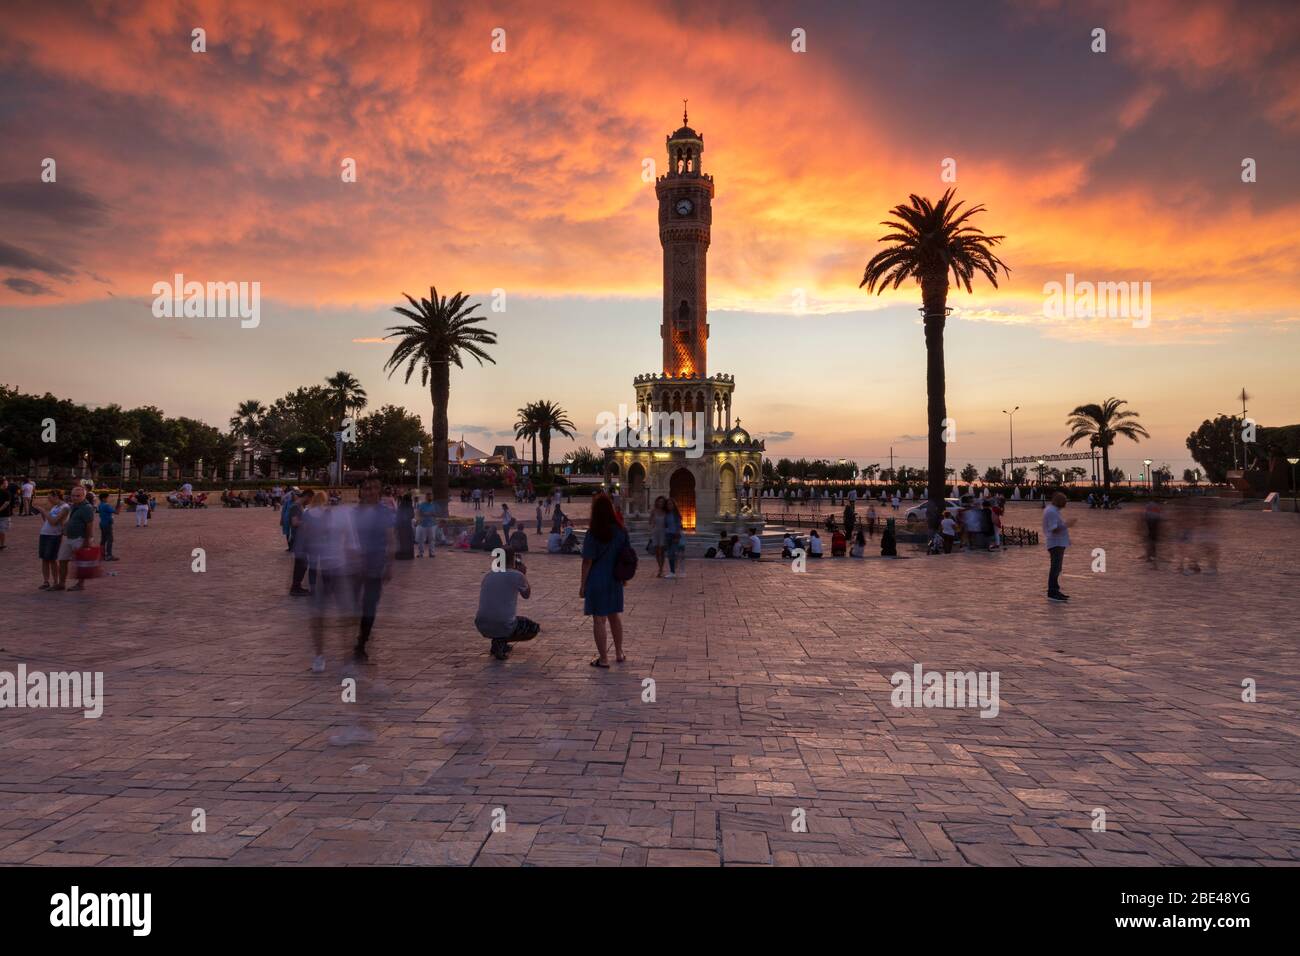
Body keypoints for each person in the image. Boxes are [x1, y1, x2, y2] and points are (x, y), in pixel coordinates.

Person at [580, 493, 628, 668]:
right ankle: (619, 652)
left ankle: (603, 658)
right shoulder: (621, 531)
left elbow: (587, 561)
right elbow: (625, 555)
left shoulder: (593, 533)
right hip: (615, 579)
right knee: (614, 616)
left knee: (599, 620)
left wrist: (582, 584)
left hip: (596, 579)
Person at [352, 478, 395, 662]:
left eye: (374, 488)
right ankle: (356, 634)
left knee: (369, 605)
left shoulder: (385, 513)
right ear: (361, 491)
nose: (370, 492)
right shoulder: (353, 513)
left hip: (375, 565)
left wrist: (389, 565)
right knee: (352, 604)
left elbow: (391, 539)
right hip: (353, 565)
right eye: (366, 488)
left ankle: (362, 642)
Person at [475, 549, 541, 660]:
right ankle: (500, 641)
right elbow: (526, 595)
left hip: (481, 623)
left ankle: (499, 641)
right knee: (533, 628)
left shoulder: (489, 575)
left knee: (502, 619)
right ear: (513, 559)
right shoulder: (517, 575)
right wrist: (524, 575)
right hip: (503, 624)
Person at [58, 484, 96, 592]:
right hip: (69, 537)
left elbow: (89, 525)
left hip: (80, 538)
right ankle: (61, 583)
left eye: (78, 496)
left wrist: (87, 540)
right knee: (62, 559)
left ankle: (80, 584)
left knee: (80, 562)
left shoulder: (87, 508)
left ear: (84, 496)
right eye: (73, 495)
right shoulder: (73, 506)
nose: (75, 497)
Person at [1043, 491, 1073, 602]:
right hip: (1055, 543)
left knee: (1057, 568)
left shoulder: (1054, 511)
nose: (1065, 503)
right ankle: (1052, 592)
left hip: (1059, 543)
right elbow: (1054, 529)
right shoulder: (1051, 512)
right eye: (1064, 501)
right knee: (1055, 568)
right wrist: (1067, 524)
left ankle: (1055, 589)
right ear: (1059, 501)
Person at [34, 489, 68, 589]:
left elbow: (54, 522)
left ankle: (55, 582)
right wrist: (43, 513)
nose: (48, 500)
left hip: (54, 536)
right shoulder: (55, 507)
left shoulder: (64, 507)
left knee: (52, 559)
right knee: (44, 559)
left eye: (50, 497)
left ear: (56, 496)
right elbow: (47, 521)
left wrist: (44, 511)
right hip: (45, 533)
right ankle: (46, 581)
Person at [662, 498, 683, 579]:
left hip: (674, 536)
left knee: (671, 553)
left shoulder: (676, 514)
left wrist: (677, 536)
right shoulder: (666, 514)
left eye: (671, 504)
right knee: (670, 554)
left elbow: (678, 526)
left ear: (674, 505)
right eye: (668, 504)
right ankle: (672, 571)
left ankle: (672, 571)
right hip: (667, 536)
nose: (669, 505)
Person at [414, 492, 438, 557]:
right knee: (421, 539)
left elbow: (436, 514)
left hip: (432, 524)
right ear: (426, 497)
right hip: (422, 524)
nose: (430, 498)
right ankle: (420, 553)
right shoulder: (421, 505)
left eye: (431, 496)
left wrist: (431, 513)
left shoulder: (434, 505)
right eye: (428, 496)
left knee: (432, 539)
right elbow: (418, 513)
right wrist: (417, 521)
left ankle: (432, 553)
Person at [650, 496, 669, 577]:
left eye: (662, 502)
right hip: (656, 532)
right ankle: (660, 567)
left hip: (663, 532)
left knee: (662, 551)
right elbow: (650, 521)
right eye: (659, 501)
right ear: (657, 502)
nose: (660, 503)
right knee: (657, 552)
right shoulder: (653, 511)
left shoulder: (666, 512)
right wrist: (652, 526)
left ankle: (661, 569)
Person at [96, 490, 117, 561]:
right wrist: (119, 505)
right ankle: (109, 555)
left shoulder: (100, 505)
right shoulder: (106, 505)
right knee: (110, 539)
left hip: (102, 523)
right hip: (107, 523)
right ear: (103, 498)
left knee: (103, 540)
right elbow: (116, 512)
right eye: (107, 498)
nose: (108, 499)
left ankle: (102, 555)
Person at [394, 493, 415, 560]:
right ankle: (408, 555)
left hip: (401, 526)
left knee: (401, 541)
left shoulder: (401, 506)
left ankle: (401, 555)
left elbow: (398, 516)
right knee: (408, 541)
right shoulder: (409, 506)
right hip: (407, 526)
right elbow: (412, 515)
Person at [0, 477, 11, 550]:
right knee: (2, 530)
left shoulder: (7, 492)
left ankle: (2, 545)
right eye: (6, 483)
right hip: (4, 514)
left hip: (4, 514)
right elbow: (6, 503)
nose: (7, 484)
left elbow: (6, 503)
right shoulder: (7, 492)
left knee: (2, 530)